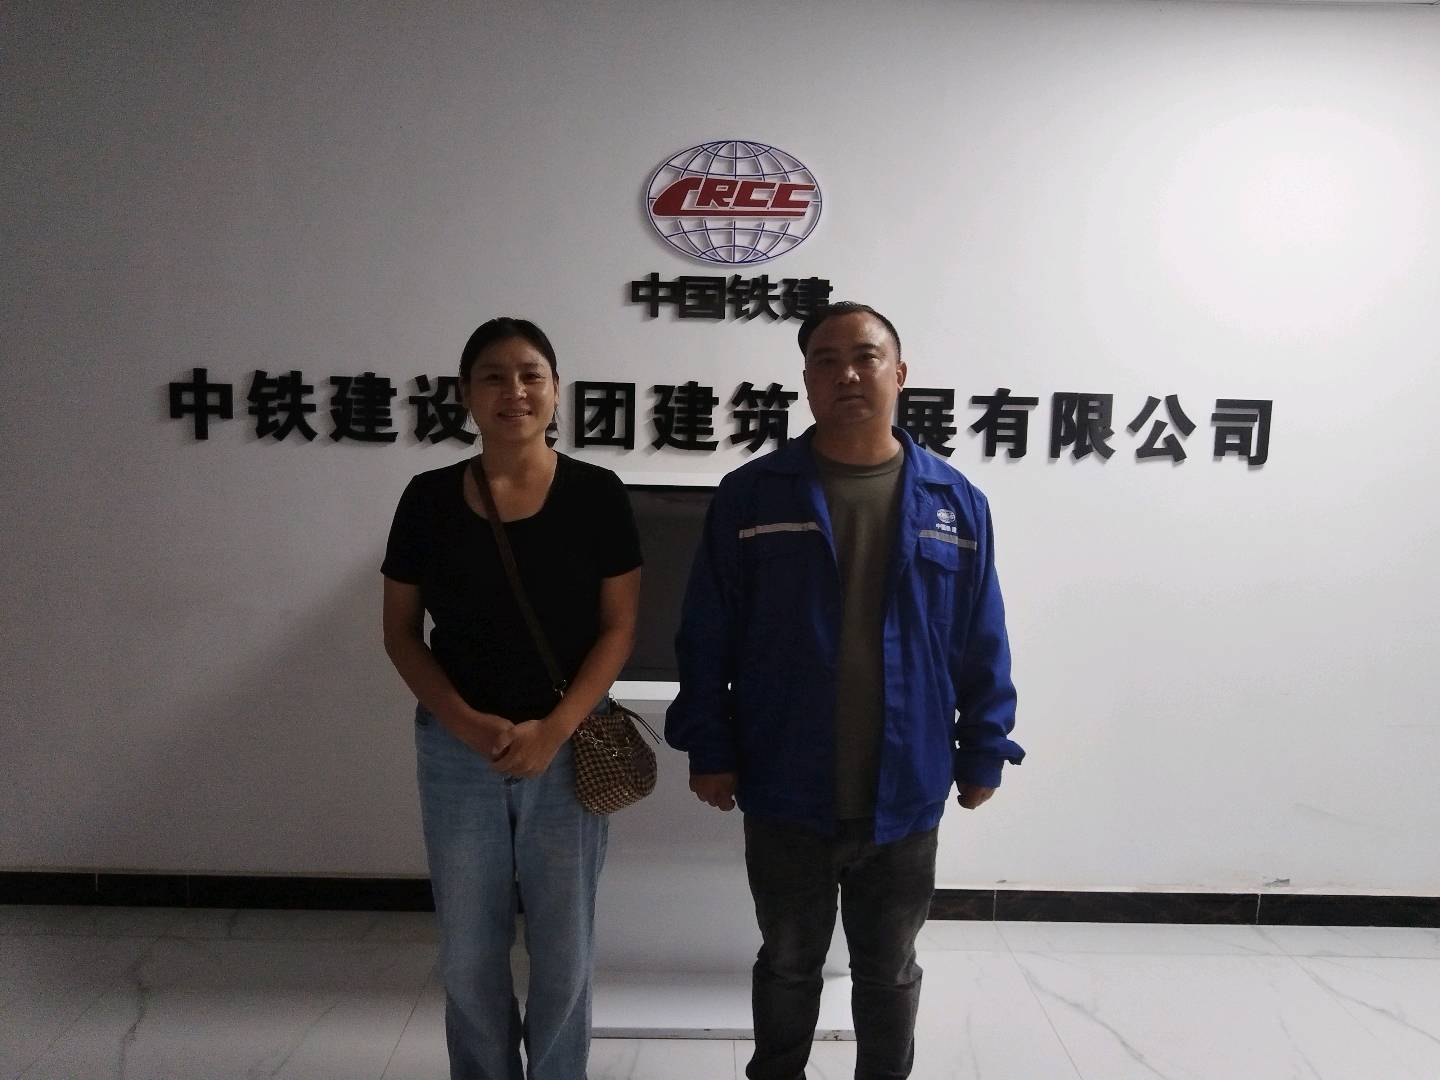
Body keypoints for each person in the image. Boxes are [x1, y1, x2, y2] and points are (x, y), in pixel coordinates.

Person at [666, 302, 1024, 1080]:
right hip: (784, 783)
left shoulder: (955, 502)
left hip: (906, 789)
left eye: (865, 357)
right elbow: (706, 633)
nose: (848, 374)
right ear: (806, 381)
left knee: (888, 970)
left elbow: (982, 638)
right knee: (788, 962)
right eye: (826, 361)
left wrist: (984, 750)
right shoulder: (754, 495)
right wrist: (709, 747)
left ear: (900, 372)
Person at [381, 317, 643, 1080]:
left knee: (566, 952)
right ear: (466, 394)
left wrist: (553, 729)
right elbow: (400, 633)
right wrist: (464, 723)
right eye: (493, 376)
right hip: (456, 752)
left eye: (531, 375)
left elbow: (619, 629)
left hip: (569, 747)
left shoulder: (597, 494)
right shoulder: (428, 499)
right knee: (467, 952)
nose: (514, 391)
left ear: (556, 390)